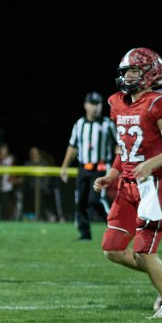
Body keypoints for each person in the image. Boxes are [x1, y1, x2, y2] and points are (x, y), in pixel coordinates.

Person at [93, 47, 162, 318]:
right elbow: (124, 148)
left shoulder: (157, 103)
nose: (127, 77)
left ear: (150, 73)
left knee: (144, 251)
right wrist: (111, 174)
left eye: (134, 71)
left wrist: (150, 164)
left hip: (155, 183)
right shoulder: (118, 103)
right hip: (127, 185)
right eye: (126, 72)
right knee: (112, 248)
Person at [59, 91, 116, 240]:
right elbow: (72, 147)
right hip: (83, 168)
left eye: (98, 104)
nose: (95, 107)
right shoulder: (80, 124)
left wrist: (119, 164)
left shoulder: (107, 124)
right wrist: (64, 167)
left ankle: (114, 227)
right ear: (85, 105)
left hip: (101, 168)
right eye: (92, 104)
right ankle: (85, 233)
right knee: (81, 201)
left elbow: (118, 145)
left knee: (95, 201)